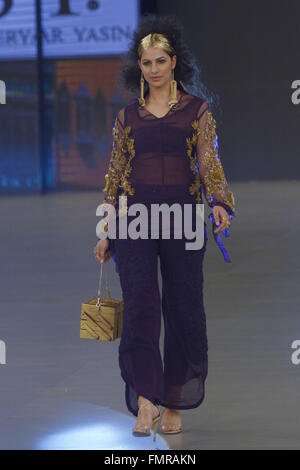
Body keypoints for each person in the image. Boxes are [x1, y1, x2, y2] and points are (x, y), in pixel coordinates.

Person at [94, 14, 235, 442]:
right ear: (139, 66)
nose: (153, 69)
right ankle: (147, 401)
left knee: (184, 307)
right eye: (146, 62)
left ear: (174, 62)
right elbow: (115, 173)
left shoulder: (196, 110)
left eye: (160, 61)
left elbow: (208, 160)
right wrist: (105, 229)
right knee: (139, 308)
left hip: (185, 219)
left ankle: (174, 398)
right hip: (134, 222)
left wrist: (219, 202)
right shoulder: (127, 117)